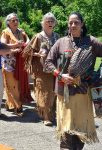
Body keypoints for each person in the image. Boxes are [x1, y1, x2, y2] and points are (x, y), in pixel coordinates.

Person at [44, 12, 102, 149]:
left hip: (83, 91)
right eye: (70, 23)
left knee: (79, 129)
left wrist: (95, 73)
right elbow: (48, 63)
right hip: (64, 92)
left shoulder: (91, 41)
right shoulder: (61, 42)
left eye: (76, 22)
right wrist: (60, 75)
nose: (73, 25)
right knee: (66, 129)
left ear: (82, 24)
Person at [23, 12, 59, 126]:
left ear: (55, 24)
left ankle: (52, 115)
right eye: (47, 21)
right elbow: (26, 52)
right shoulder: (38, 36)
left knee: (54, 92)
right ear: (42, 23)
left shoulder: (57, 36)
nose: (50, 23)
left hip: (55, 69)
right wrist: (37, 54)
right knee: (44, 92)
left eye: (52, 21)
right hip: (41, 70)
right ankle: (45, 117)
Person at [0, 13, 33, 116]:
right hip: (8, 62)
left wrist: (24, 44)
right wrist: (15, 46)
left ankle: (10, 103)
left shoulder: (22, 32)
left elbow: (28, 41)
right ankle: (18, 107)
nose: (15, 22)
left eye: (17, 20)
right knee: (11, 84)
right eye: (13, 20)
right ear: (8, 22)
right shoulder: (5, 32)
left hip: (20, 62)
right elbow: (2, 44)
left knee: (18, 85)